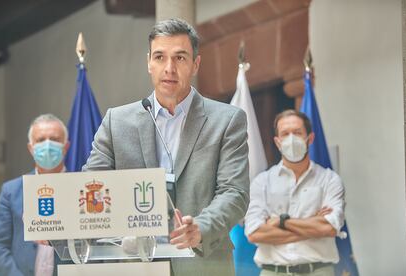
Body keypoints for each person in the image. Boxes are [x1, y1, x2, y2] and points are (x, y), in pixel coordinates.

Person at [82, 18, 249, 275]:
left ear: (195, 64)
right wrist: (55, 223)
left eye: (180, 58)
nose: (169, 68)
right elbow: (91, 185)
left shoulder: (227, 120)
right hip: (137, 264)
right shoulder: (117, 121)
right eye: (160, 57)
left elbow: (234, 193)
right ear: (148, 62)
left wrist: (200, 229)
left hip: (202, 264)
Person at [245, 110, 345, 276]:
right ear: (277, 142)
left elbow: (329, 227)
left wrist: (280, 221)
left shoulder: (330, 179)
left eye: (297, 132)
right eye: (285, 134)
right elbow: (255, 233)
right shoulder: (261, 182)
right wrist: (313, 223)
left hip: (319, 271)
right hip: (273, 271)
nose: (291, 139)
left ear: (310, 138)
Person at [0, 114, 70, 276]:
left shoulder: (79, 190)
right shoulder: (11, 191)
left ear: (66, 146)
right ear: (31, 147)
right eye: (41, 140)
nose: (48, 145)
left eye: (55, 139)